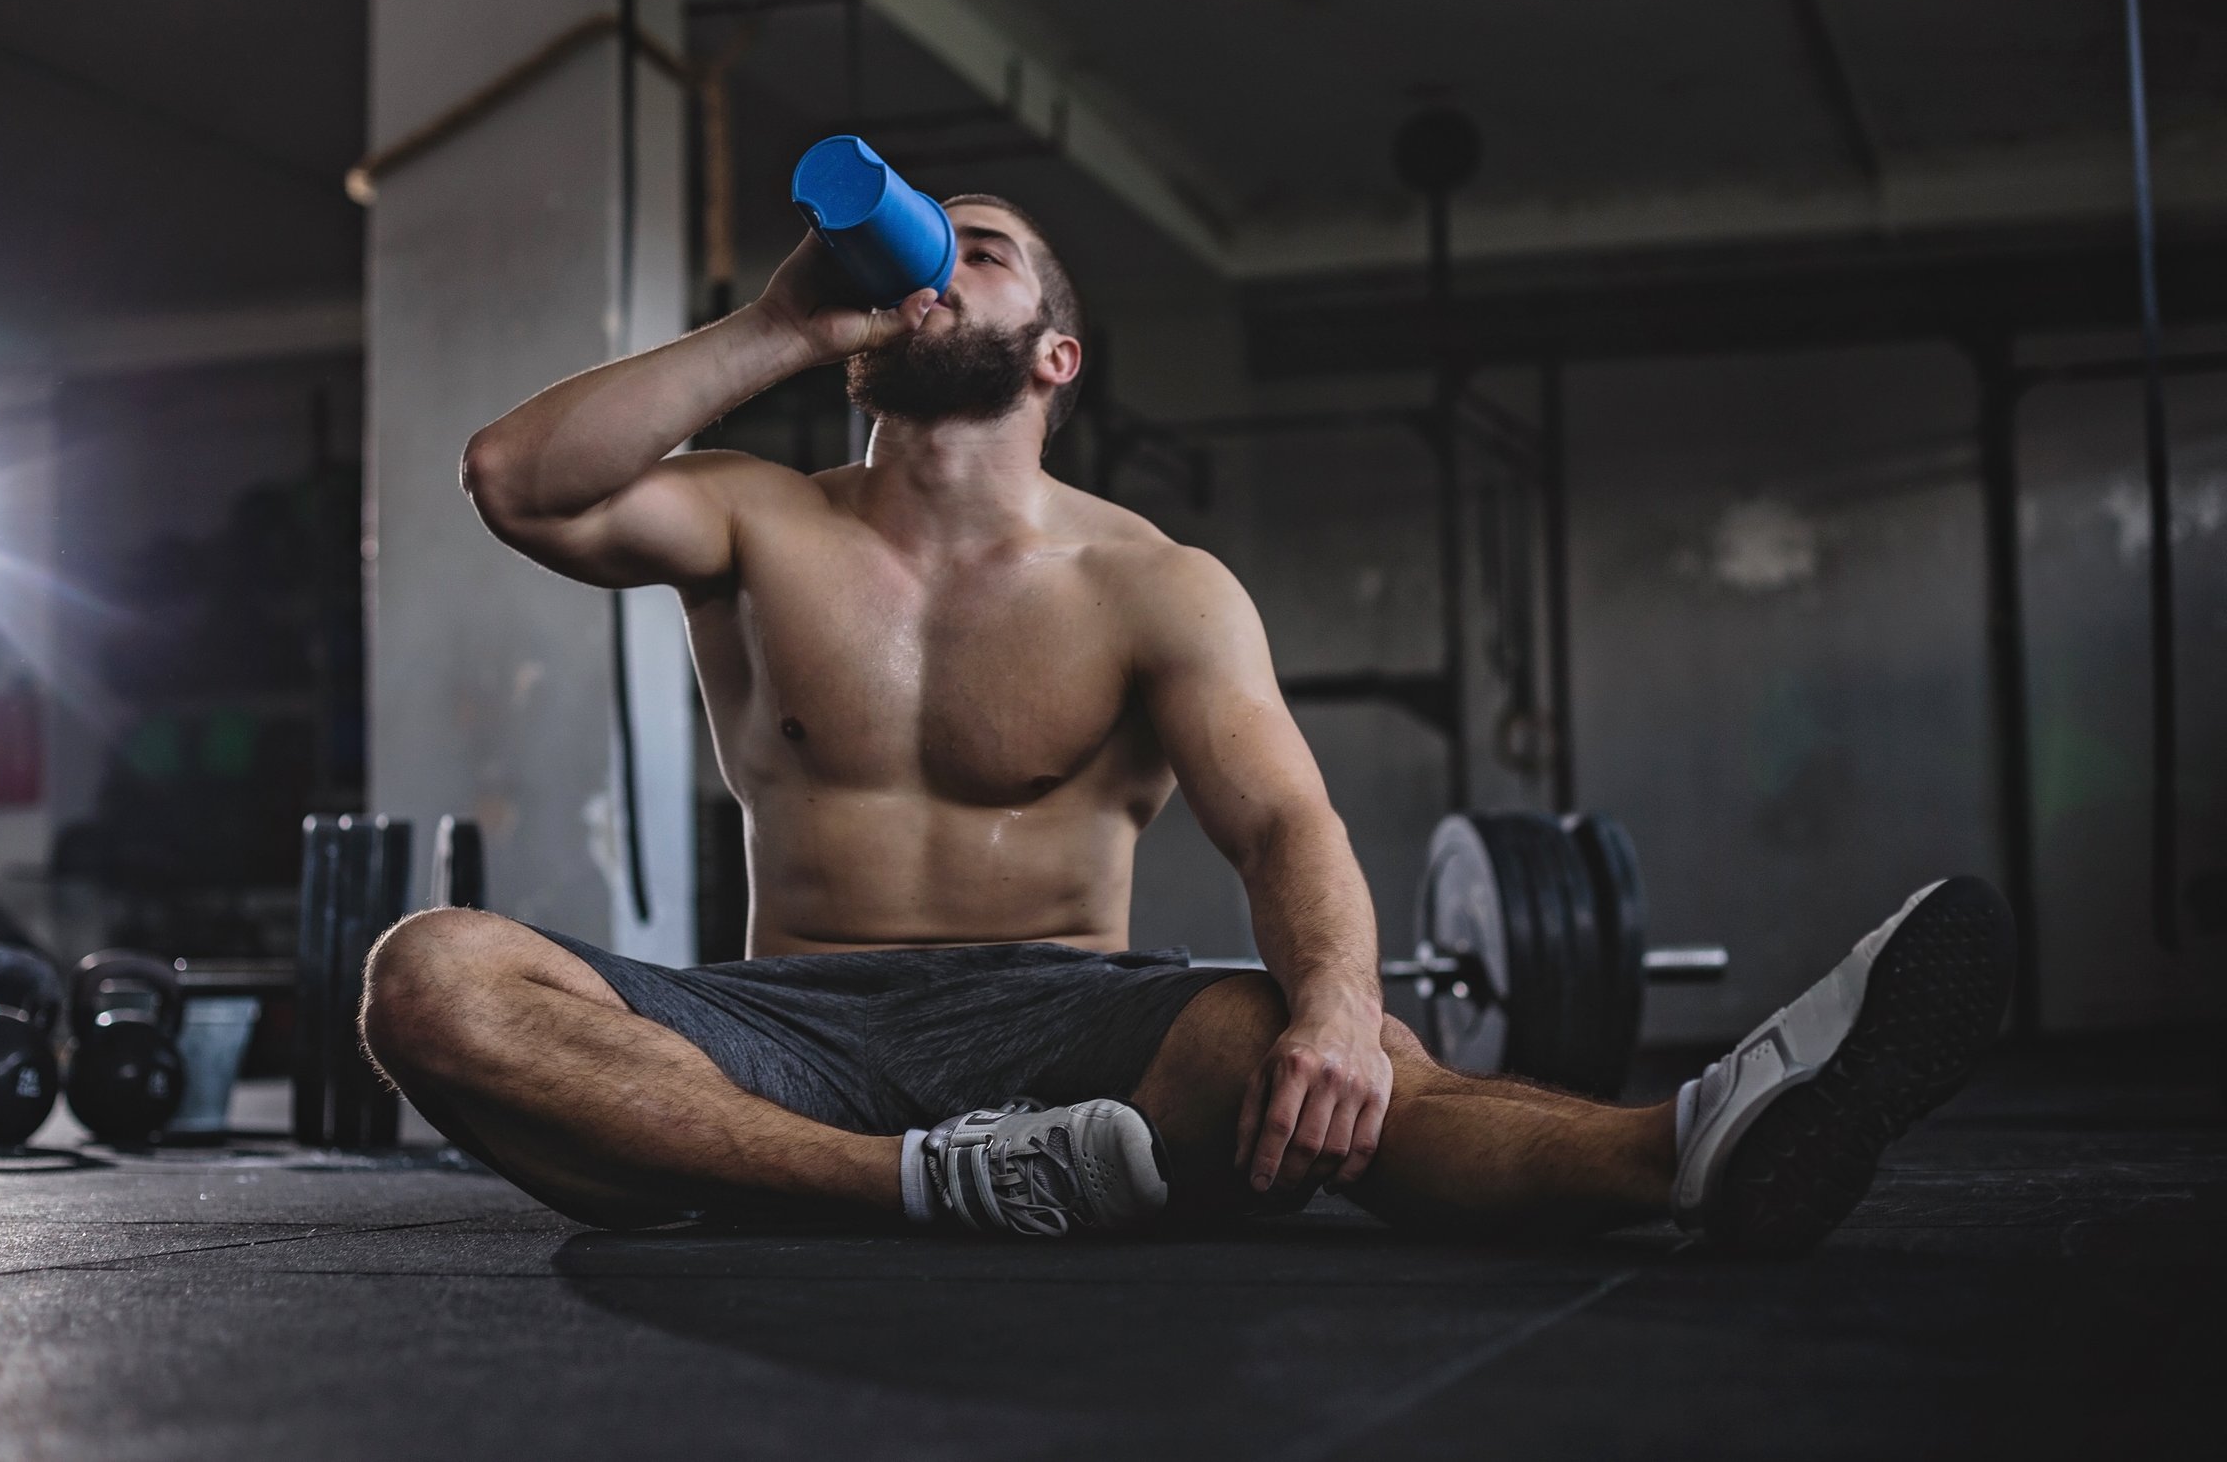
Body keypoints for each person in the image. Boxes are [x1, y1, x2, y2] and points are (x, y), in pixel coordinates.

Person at [359, 195, 2015, 1251]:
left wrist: (1341, 1013)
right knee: (428, 974)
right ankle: (915, 1192)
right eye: (918, 240)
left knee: (1318, 1067)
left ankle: (1703, 1140)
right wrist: (787, 322)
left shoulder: (1158, 586)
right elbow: (512, 482)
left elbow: (1286, 825)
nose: (934, 254)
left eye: (978, 245)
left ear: (1055, 352)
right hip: (785, 1024)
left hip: (1071, 1023)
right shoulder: (750, 518)